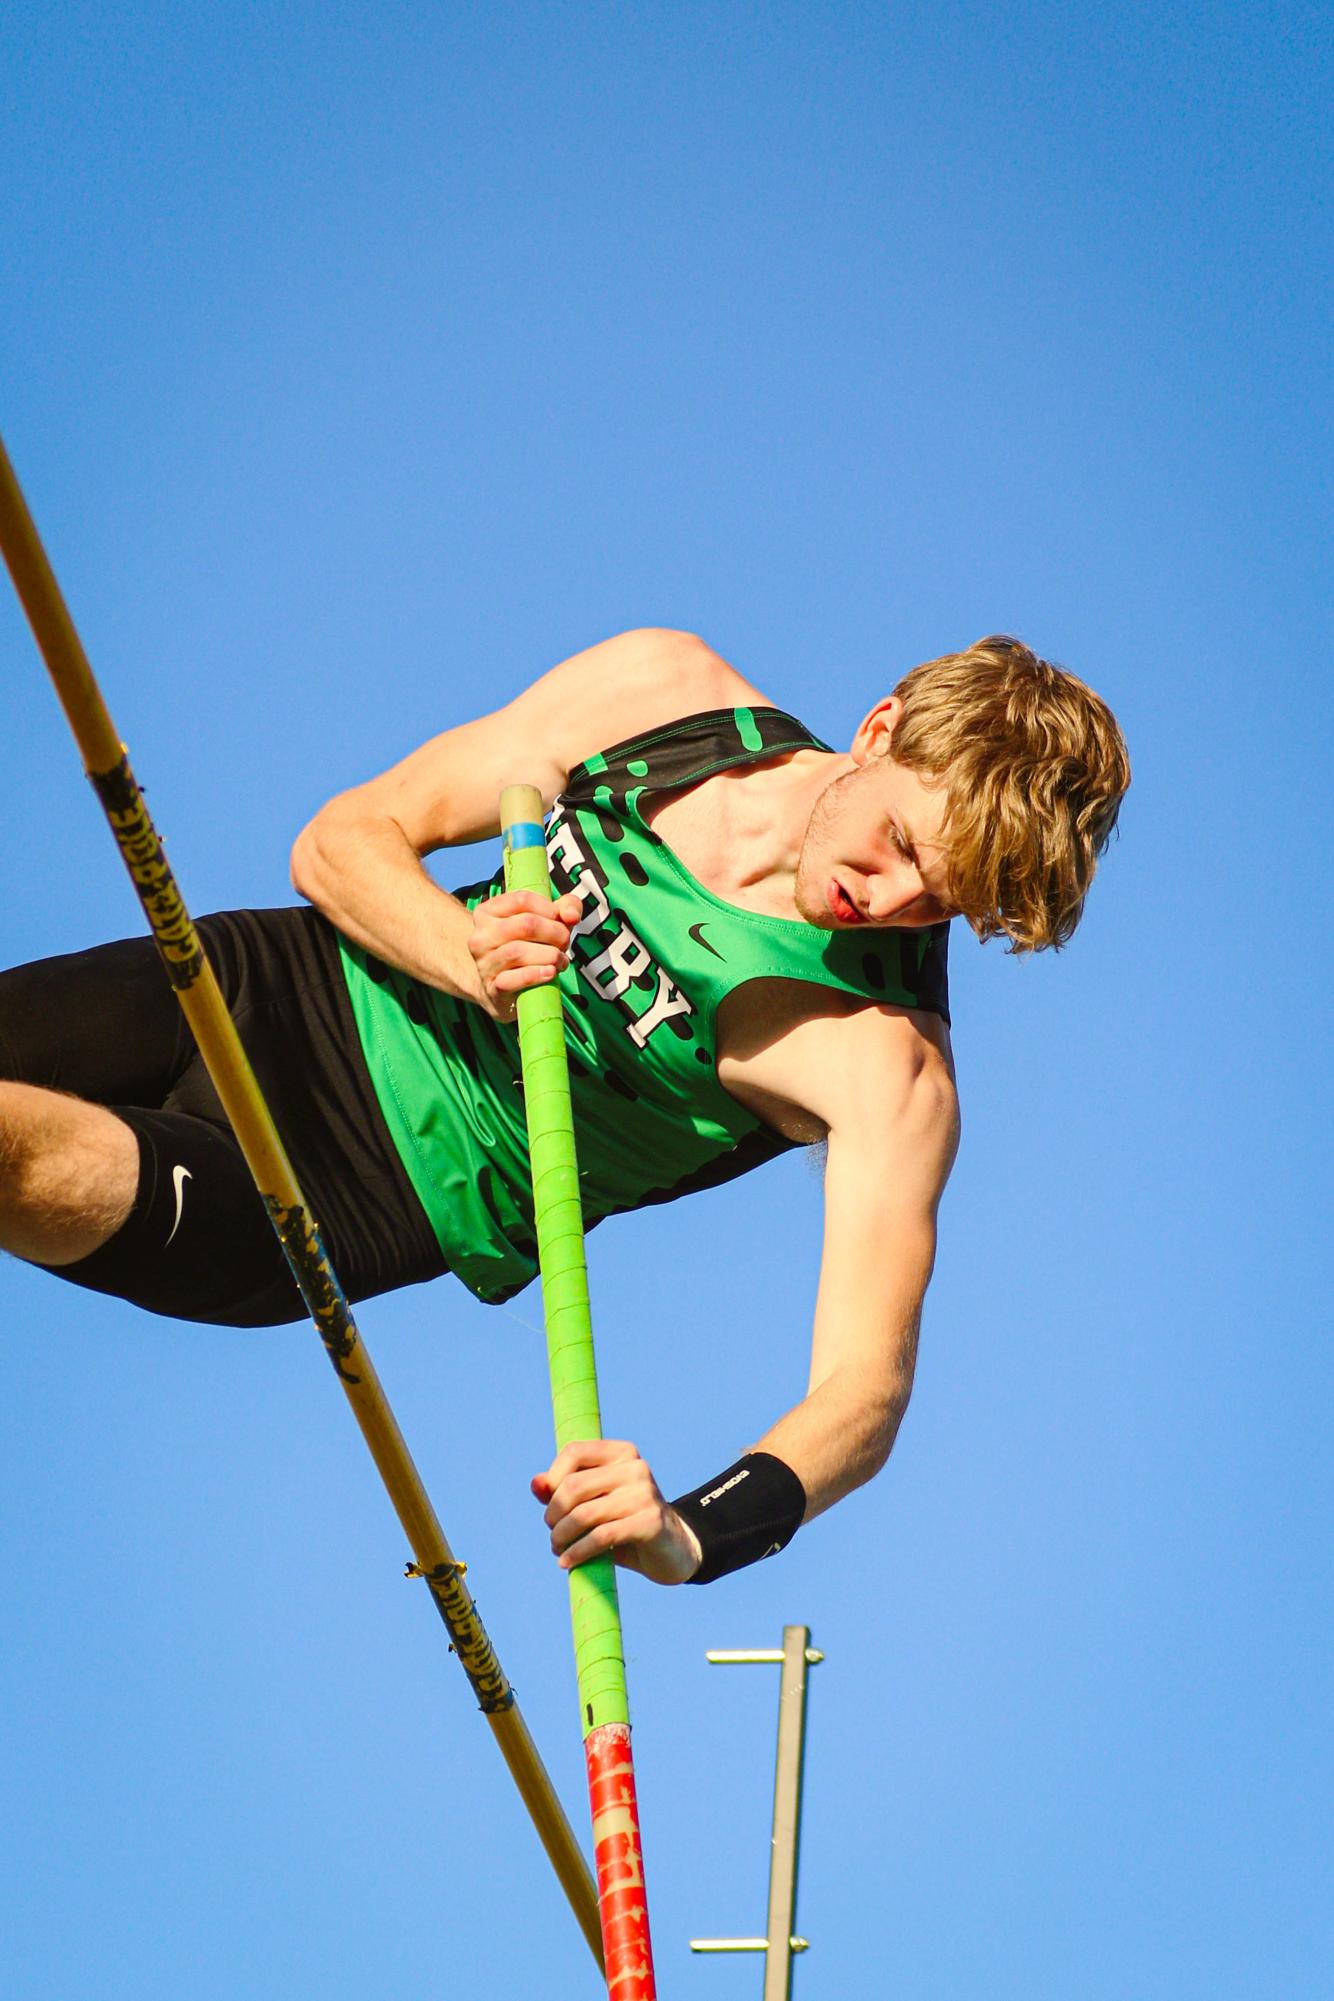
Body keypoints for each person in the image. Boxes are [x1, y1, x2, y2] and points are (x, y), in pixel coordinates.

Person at [0, 628, 1129, 1586]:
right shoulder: (667, 696)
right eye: (897, 845)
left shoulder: (885, 1065)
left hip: (347, 1198)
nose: (889, 903)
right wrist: (461, 952)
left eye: (941, 903)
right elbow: (341, 841)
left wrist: (686, 1531)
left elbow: (863, 1393)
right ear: (878, 727)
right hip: (271, 984)